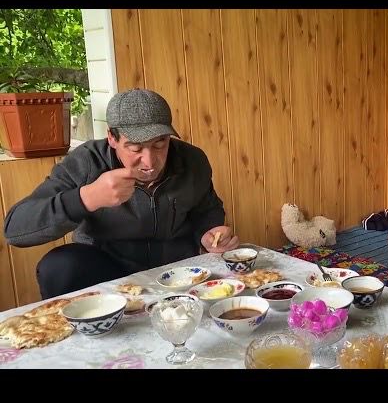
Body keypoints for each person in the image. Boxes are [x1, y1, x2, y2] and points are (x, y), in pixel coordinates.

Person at [4, 88, 239, 299]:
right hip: (109, 273)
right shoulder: (86, 162)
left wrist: (210, 233)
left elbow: (207, 209)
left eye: (159, 145)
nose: (149, 162)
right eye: (135, 148)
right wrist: (86, 198)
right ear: (112, 138)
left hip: (177, 272)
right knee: (58, 266)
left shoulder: (192, 159)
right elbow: (15, 230)